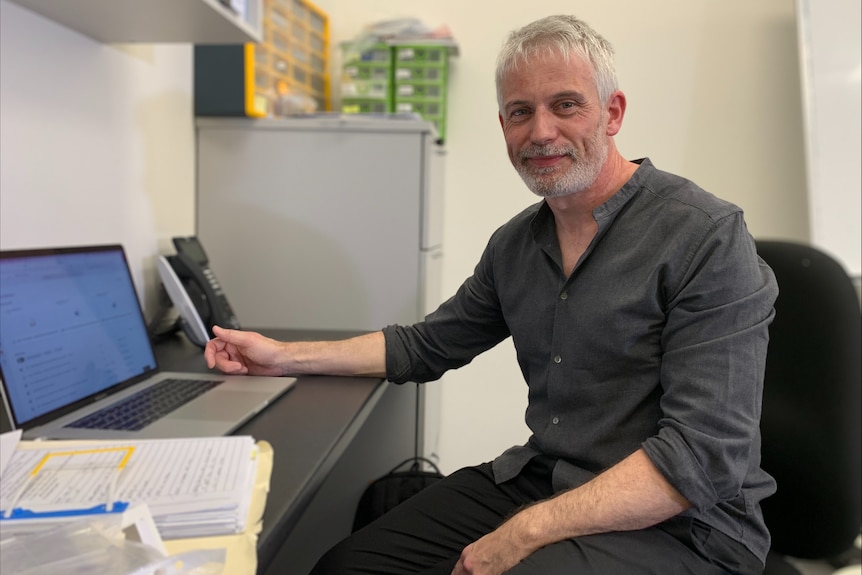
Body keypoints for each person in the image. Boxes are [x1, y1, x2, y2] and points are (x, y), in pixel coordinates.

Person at [205, 14, 778, 575]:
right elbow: (425, 346)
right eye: (520, 112)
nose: (541, 132)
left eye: (566, 104)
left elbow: (700, 460)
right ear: (503, 125)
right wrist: (281, 356)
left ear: (613, 113)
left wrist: (523, 533)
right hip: (546, 477)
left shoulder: (704, 235)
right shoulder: (516, 245)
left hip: (686, 525)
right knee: (349, 564)